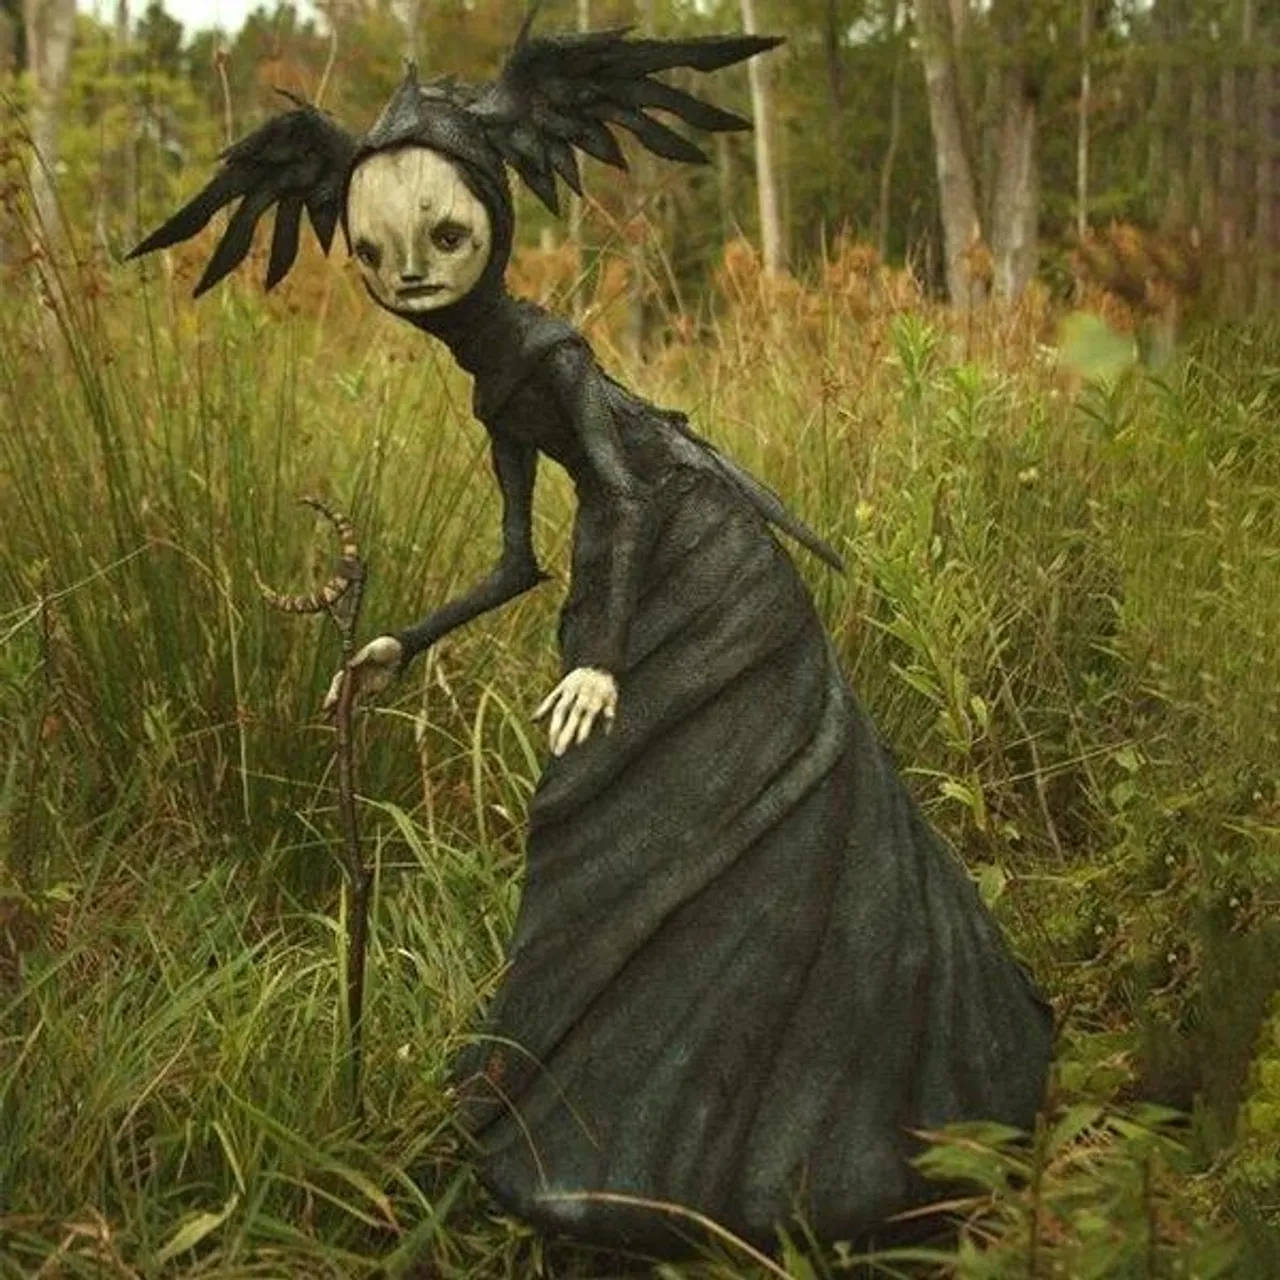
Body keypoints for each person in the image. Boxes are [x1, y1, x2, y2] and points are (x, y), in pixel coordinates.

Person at [130, 19, 1054, 1255]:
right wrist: (406, 639)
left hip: (702, 562)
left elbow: (619, 494)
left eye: (441, 240)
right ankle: (660, 1109)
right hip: (643, 568)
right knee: (644, 815)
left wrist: (601, 657)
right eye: (378, 253)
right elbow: (522, 554)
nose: (408, 274)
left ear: (491, 224)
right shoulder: (492, 370)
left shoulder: (541, 350)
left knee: (712, 802)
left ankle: (781, 1122)